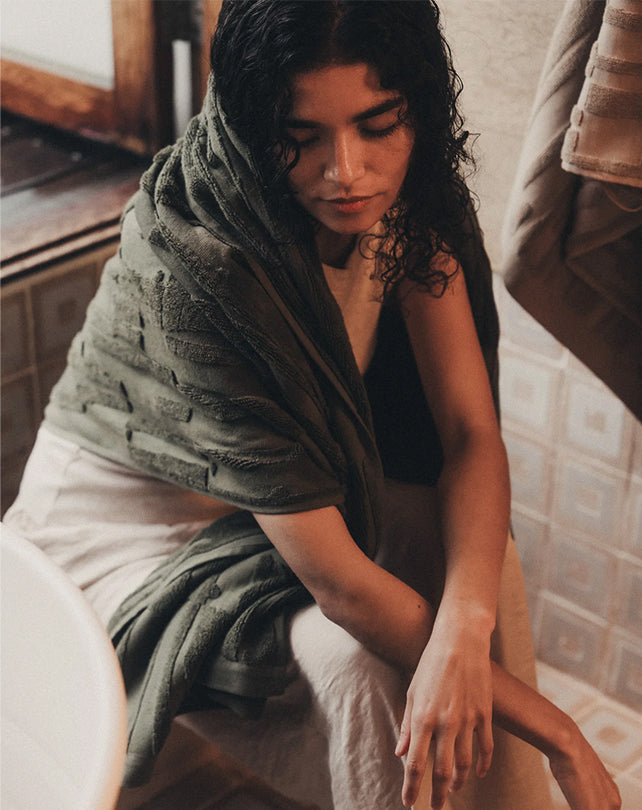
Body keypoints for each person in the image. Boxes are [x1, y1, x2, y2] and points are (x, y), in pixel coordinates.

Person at [3, 2, 620, 809]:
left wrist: (462, 633)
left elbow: (470, 434)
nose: (347, 171)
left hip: (283, 509)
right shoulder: (208, 267)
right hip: (121, 535)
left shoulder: (411, 202)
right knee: (359, 667)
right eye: (302, 135)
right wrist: (561, 733)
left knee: (479, 568)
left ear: (418, 110)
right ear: (254, 125)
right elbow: (344, 592)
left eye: (377, 124)